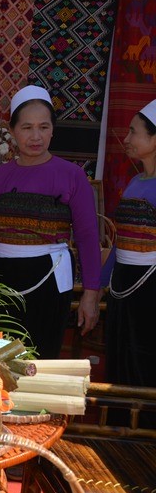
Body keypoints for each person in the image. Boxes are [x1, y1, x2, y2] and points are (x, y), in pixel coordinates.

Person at [0, 85, 101, 358]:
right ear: (12, 130)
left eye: (43, 127)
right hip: (1, 279)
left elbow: (88, 236)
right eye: (27, 127)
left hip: (49, 279)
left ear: (53, 130)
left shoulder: (72, 176)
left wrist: (91, 294)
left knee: (39, 360)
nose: (35, 136)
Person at [100, 99, 156, 389]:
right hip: (123, 284)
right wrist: (98, 285)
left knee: (146, 362)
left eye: (133, 132)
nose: (127, 139)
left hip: (151, 288)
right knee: (120, 358)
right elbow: (121, 239)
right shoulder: (135, 182)